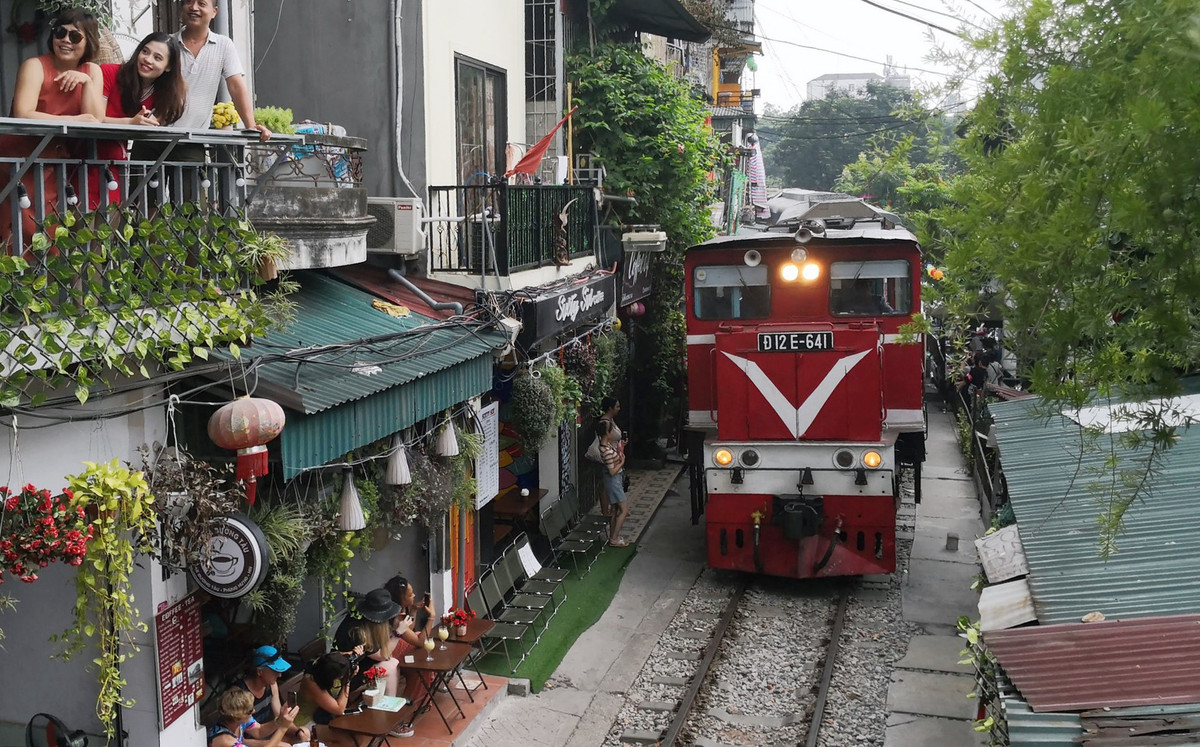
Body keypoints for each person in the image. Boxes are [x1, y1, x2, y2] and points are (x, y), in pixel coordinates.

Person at [1, 8, 105, 248]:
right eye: (60, 33)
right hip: (18, 159)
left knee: (49, 226)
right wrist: (74, 120)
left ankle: (45, 283)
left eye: (75, 36)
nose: (66, 40)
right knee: (15, 225)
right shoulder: (35, 66)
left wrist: (87, 83)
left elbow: (95, 119)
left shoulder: (92, 71)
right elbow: (23, 113)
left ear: (88, 41)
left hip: (53, 160)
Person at [172, 0, 270, 140]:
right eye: (189, 2)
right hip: (156, 135)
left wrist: (251, 126)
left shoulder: (224, 45)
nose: (194, 8)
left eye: (201, 3)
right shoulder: (167, 44)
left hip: (192, 139)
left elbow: (236, 86)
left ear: (214, 12)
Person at [383, 574, 437, 739]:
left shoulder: (398, 608)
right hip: (392, 651)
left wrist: (413, 609)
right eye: (410, 594)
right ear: (401, 597)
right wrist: (431, 617)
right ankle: (411, 702)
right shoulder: (396, 617)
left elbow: (410, 629)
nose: (414, 595)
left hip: (398, 644)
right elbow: (419, 641)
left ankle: (419, 697)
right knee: (423, 658)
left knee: (422, 646)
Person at [231, 645, 310, 745]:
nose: (280, 675)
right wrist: (269, 742)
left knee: (304, 732)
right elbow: (239, 740)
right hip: (250, 740)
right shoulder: (240, 694)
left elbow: (278, 716)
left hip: (266, 731)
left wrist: (297, 732)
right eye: (275, 671)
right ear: (260, 671)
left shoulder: (272, 685)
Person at [332, 588, 401, 698]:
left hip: (358, 666)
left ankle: (387, 702)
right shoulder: (356, 632)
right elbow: (383, 655)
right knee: (391, 666)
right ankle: (389, 705)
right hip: (345, 678)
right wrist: (399, 633)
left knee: (392, 664)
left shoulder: (360, 621)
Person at [294, 653, 358, 747]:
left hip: (321, 716)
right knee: (347, 742)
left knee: (352, 734)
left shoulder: (323, 665)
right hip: (306, 723)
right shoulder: (311, 683)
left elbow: (334, 657)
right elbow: (339, 709)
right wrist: (347, 681)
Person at [208, 688, 298, 747]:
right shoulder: (225, 740)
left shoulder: (238, 721)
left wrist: (280, 720)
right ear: (237, 716)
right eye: (250, 710)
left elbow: (259, 731)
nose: (254, 711)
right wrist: (283, 727)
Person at [596, 419, 629, 547]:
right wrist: (622, 463)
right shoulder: (606, 450)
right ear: (607, 433)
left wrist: (622, 448)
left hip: (615, 480)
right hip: (613, 481)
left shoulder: (607, 446)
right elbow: (612, 471)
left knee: (615, 509)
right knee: (624, 510)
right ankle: (614, 539)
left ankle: (613, 536)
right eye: (612, 430)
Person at [597, 397, 625, 517]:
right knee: (608, 484)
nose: (619, 409)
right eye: (617, 406)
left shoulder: (611, 420)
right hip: (609, 457)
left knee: (610, 484)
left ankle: (614, 509)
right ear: (610, 408)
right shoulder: (605, 423)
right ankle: (608, 511)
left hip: (614, 454)